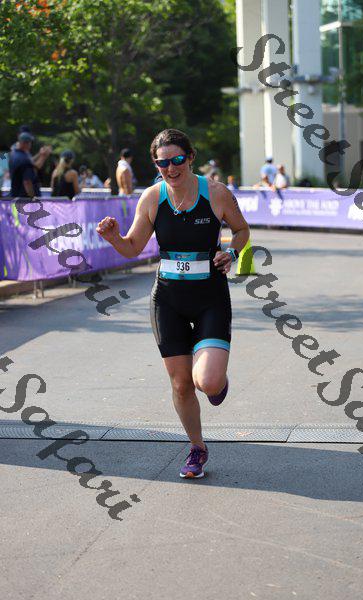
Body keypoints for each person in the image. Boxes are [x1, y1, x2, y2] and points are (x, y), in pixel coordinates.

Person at [97, 128, 250, 479]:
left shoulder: (216, 193)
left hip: (210, 297)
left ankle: (217, 382)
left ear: (190, 157)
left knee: (207, 382)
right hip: (167, 300)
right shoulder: (152, 197)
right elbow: (132, 247)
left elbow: (242, 230)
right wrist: (113, 238)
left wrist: (231, 253)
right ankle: (197, 448)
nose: (170, 168)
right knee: (181, 384)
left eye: (177, 159)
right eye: (162, 163)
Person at [9, 132, 41, 198]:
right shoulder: (24, 160)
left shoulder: (14, 155)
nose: (30, 144)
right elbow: (27, 182)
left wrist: (40, 155)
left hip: (15, 196)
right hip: (24, 200)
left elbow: (32, 163)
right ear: (25, 143)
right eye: (29, 142)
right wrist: (33, 197)